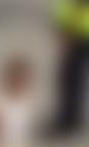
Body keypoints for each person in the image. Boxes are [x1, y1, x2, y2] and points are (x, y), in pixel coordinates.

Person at [50, 0, 89, 137]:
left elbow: (80, 6)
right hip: (79, 31)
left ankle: (69, 120)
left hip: (80, 33)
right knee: (72, 77)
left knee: (70, 78)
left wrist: (70, 33)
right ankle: (72, 118)